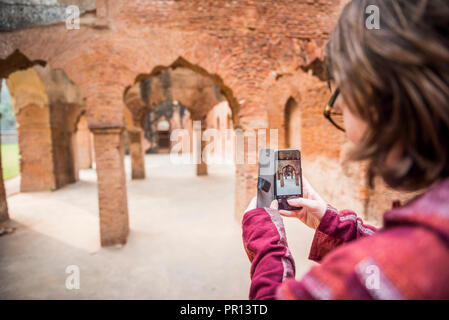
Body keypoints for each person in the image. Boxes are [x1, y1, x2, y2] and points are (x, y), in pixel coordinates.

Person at [242, 0, 449, 300]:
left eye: (341, 92)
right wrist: (331, 222)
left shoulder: (401, 264)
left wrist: (265, 240)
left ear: (377, 94)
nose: (338, 106)